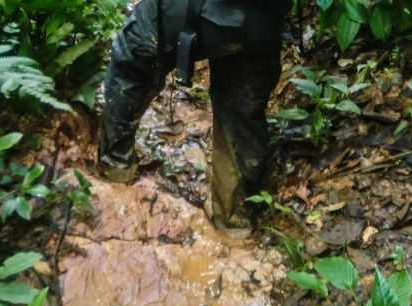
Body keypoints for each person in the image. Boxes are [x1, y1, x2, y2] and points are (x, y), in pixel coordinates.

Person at [98, 0, 291, 238]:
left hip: (193, 10)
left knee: (131, 65)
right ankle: (233, 222)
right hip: (262, 22)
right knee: (240, 112)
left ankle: (115, 171)